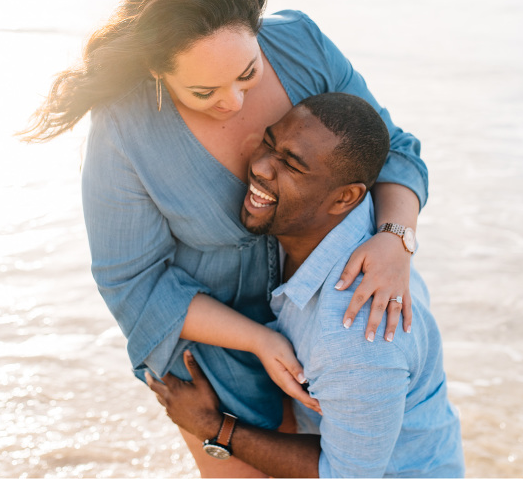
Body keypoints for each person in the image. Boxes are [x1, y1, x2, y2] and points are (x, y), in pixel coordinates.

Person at [19, 0, 429, 476]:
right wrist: (259, 340)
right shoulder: (125, 127)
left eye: (248, 73)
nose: (233, 102)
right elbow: (133, 282)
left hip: (328, 320)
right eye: (204, 90)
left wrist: (396, 237)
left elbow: (392, 150)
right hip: (217, 351)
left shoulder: (301, 44)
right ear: (157, 70)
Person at [149, 93, 464, 478]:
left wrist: (213, 427)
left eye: (292, 165)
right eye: (268, 143)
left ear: (345, 197)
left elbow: (344, 475)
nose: (261, 167)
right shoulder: (345, 222)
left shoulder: (355, 334)